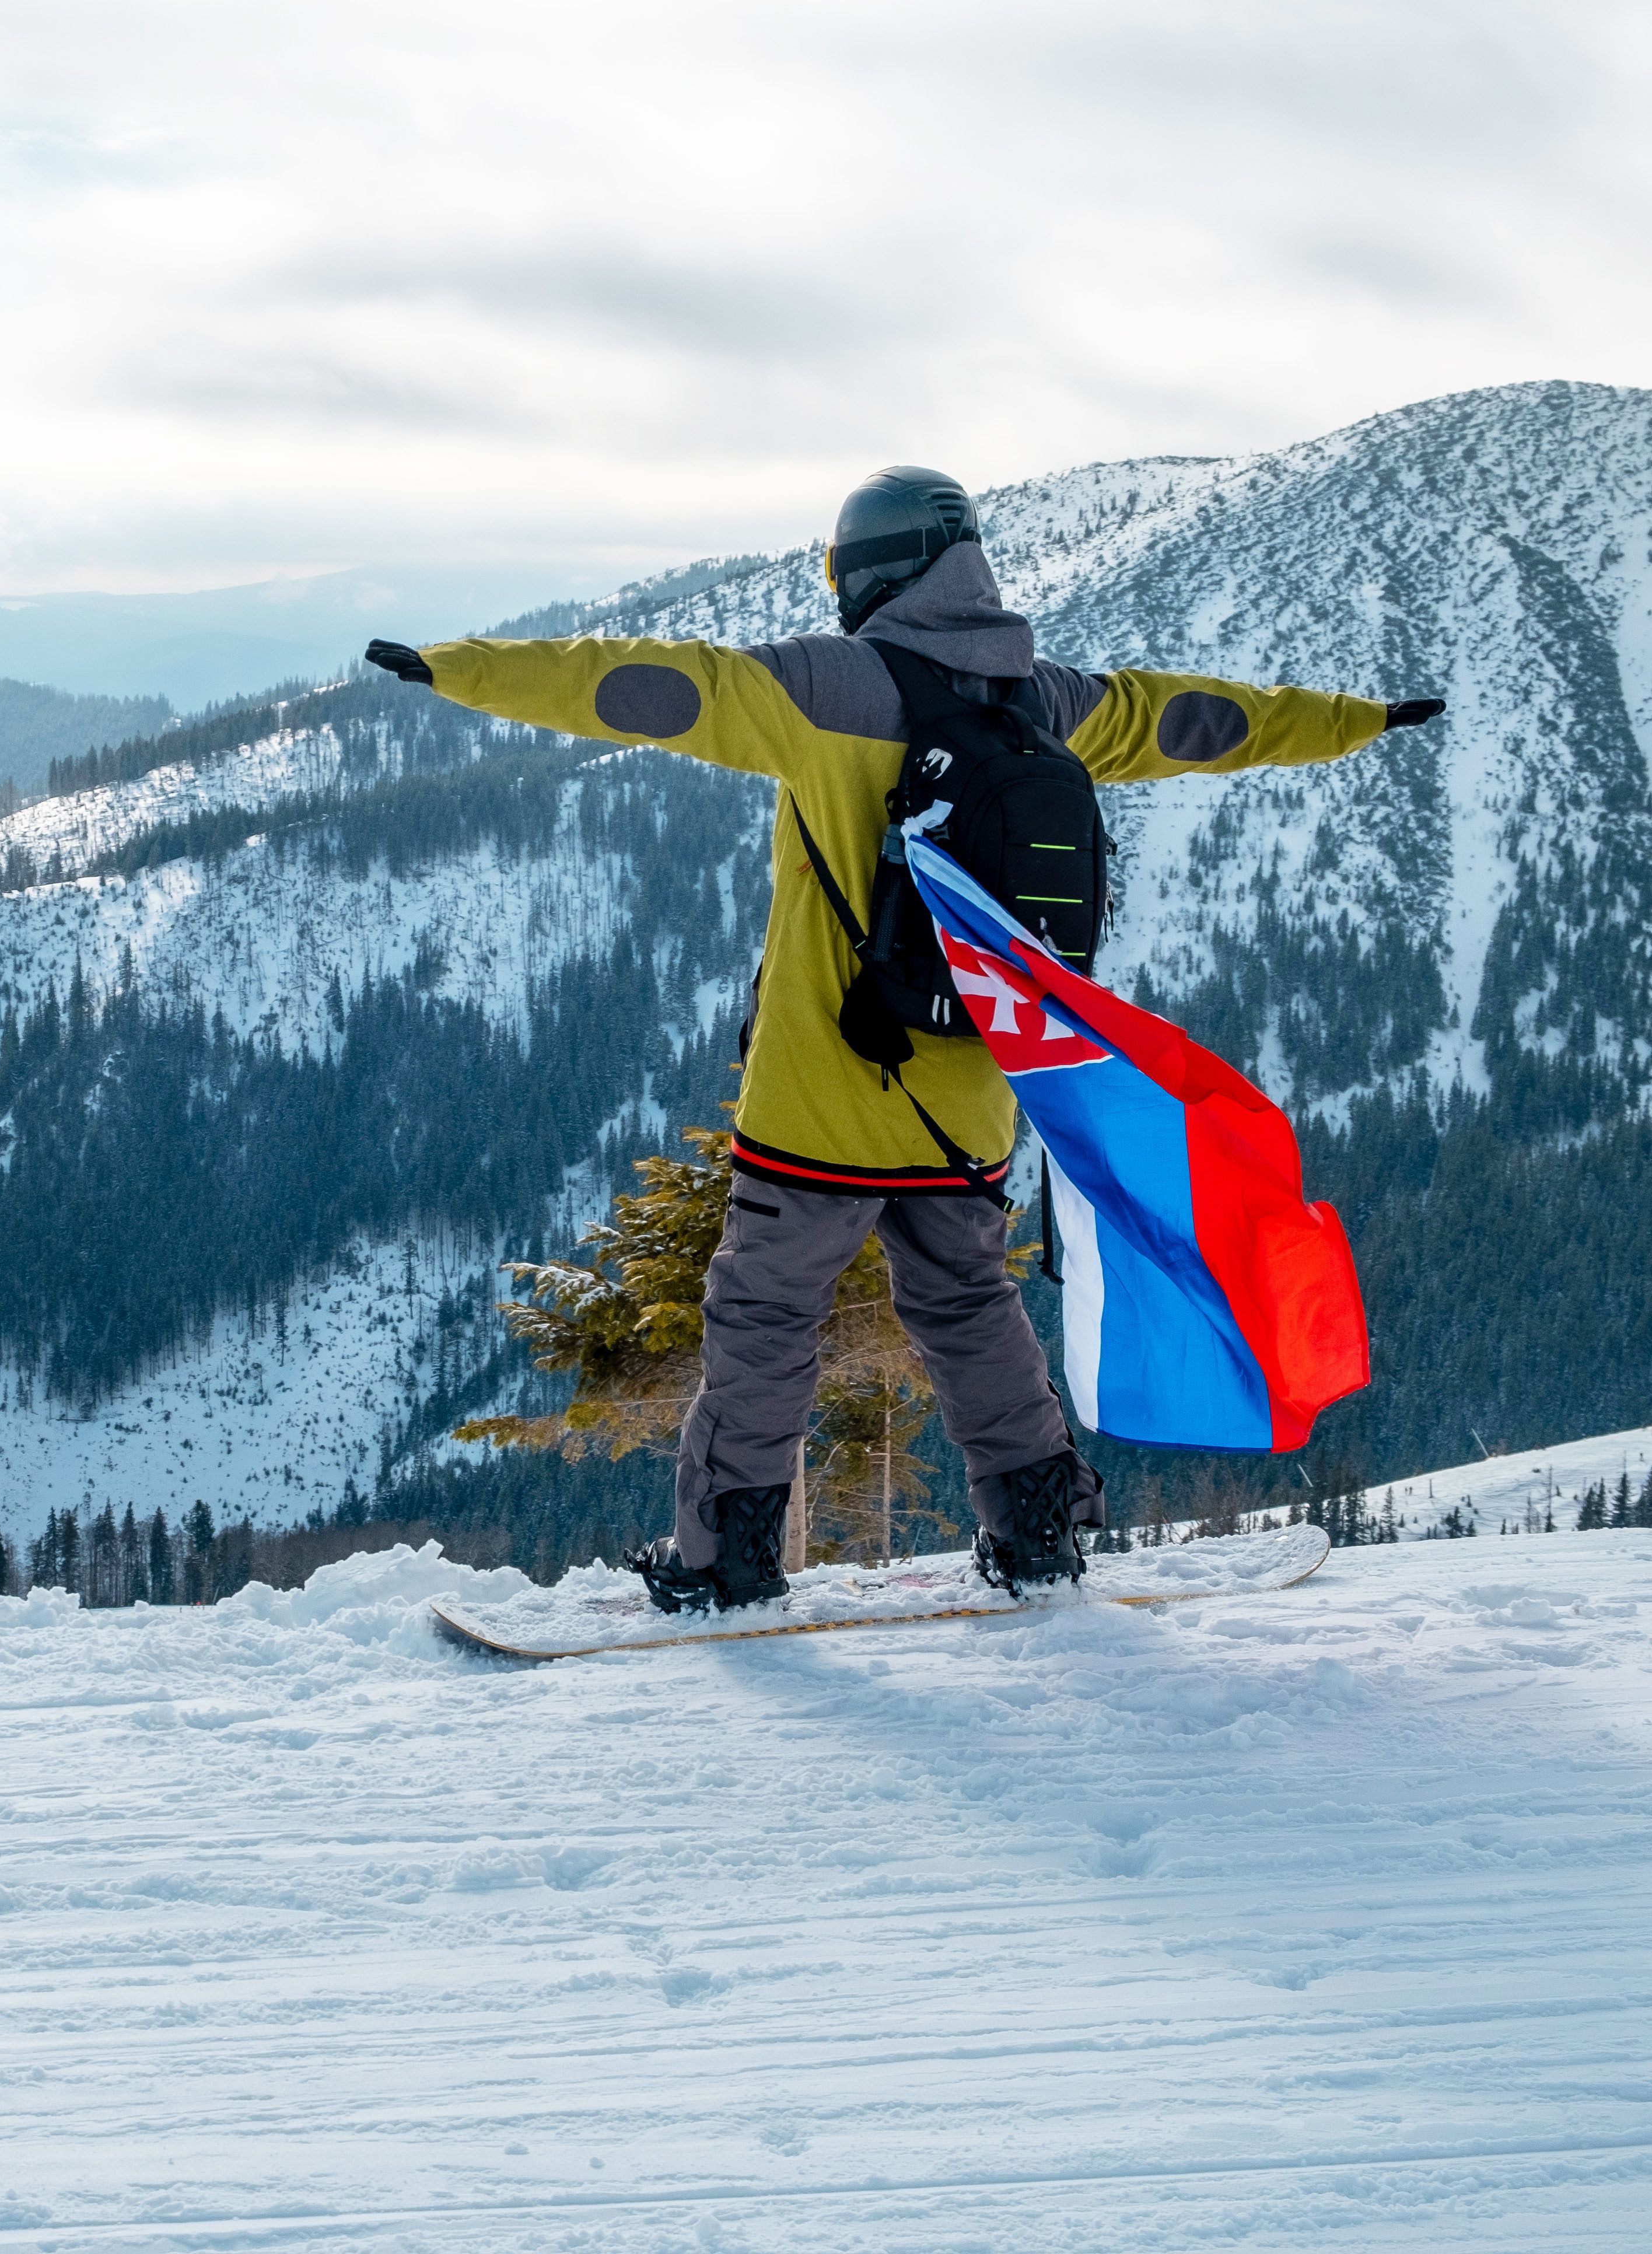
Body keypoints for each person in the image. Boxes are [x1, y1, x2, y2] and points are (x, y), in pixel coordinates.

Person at [367, 467, 1441, 1609]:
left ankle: (727, 1556)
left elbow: (640, 685)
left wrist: (459, 670)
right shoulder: (1044, 699)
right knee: (969, 1306)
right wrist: (1357, 723)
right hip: (971, 1093)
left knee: (766, 1313)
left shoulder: (826, 685)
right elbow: (1202, 720)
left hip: (820, 1100)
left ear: (865, 574)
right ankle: (1036, 1529)